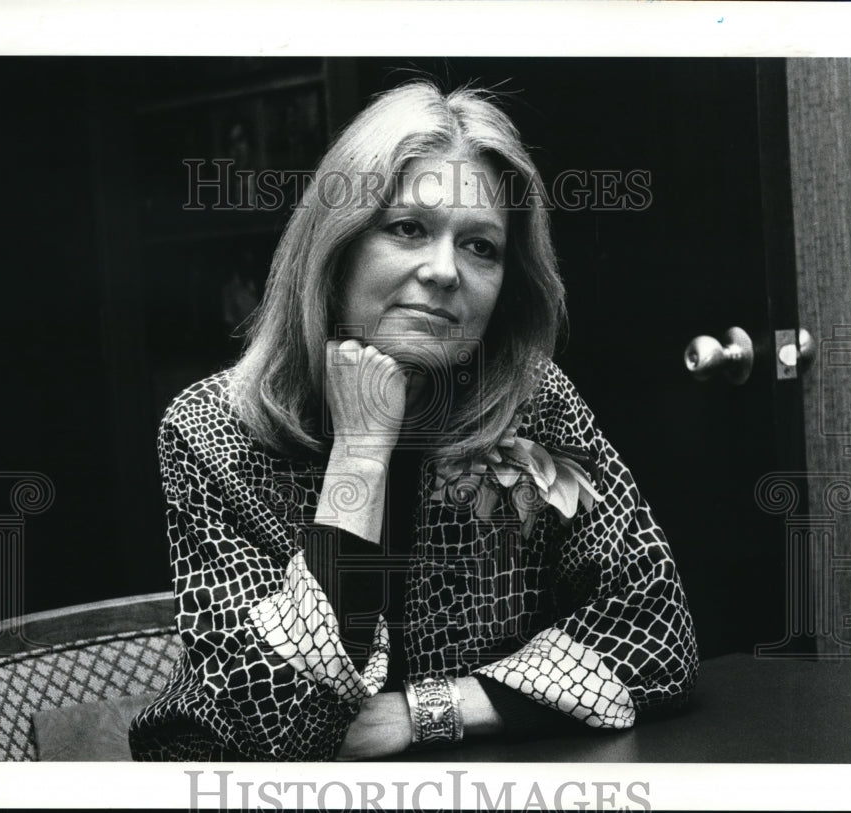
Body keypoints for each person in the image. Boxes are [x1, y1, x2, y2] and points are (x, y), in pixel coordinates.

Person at [129, 81, 698, 762]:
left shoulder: (530, 401)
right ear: (336, 249)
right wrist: (362, 452)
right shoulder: (212, 431)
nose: (445, 270)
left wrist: (426, 711)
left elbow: (655, 635)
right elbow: (274, 728)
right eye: (408, 229)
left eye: (481, 246)